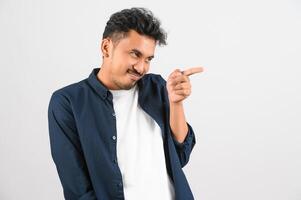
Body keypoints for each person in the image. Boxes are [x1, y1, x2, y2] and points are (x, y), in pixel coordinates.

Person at [48, 7, 203, 200]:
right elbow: (78, 190)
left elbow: (180, 157)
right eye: (135, 54)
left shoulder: (157, 87)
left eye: (148, 59)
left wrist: (176, 104)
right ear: (106, 47)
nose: (141, 68)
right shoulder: (68, 102)